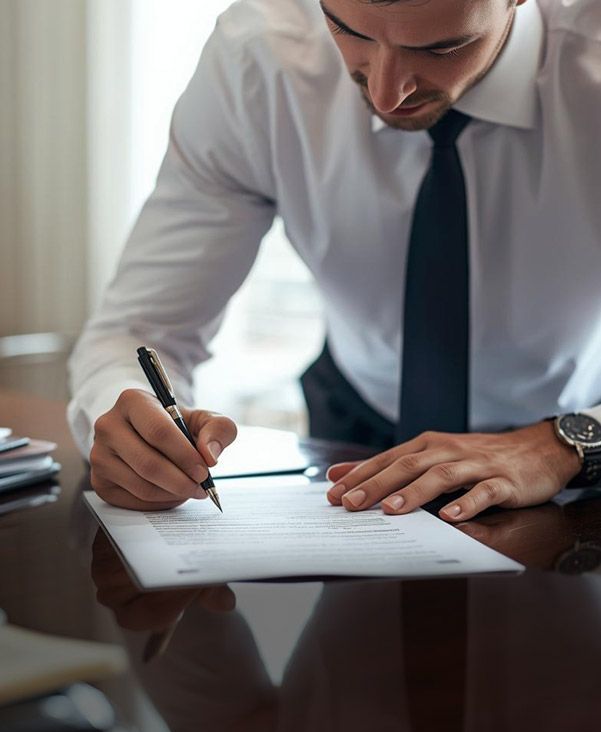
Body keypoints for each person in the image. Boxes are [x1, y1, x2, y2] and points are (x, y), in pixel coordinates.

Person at [68, 0, 601, 521]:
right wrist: (129, 419)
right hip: (356, 438)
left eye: (443, 47)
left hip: (576, 450)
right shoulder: (260, 58)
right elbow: (142, 329)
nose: (387, 93)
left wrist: (566, 443)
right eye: (349, 30)